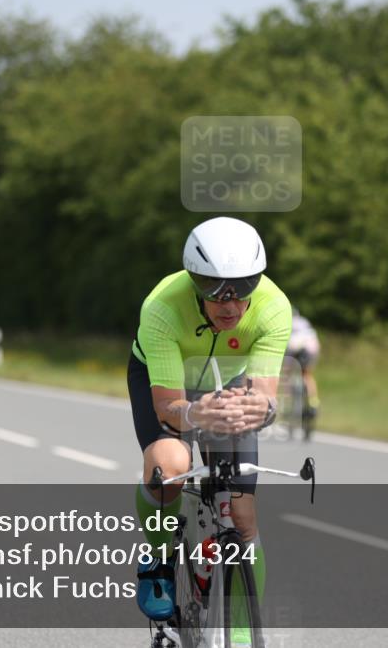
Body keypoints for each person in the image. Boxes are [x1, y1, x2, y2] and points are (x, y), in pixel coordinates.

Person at [128, 217, 291, 633]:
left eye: (243, 287)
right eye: (215, 289)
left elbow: (265, 395)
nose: (230, 304)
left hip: (228, 382)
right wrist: (196, 415)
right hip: (167, 384)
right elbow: (167, 407)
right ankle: (160, 559)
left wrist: (257, 409)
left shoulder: (274, 308)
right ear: (194, 280)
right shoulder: (163, 306)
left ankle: (242, 634)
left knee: (242, 514)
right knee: (169, 465)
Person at [286, 306, 321, 435]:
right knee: (307, 374)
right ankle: (313, 401)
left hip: (296, 347)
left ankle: (290, 400)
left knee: (288, 373)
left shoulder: (287, 322)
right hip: (312, 347)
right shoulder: (304, 321)